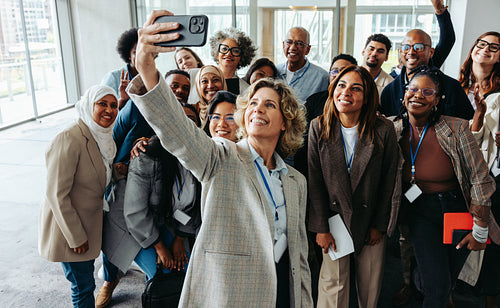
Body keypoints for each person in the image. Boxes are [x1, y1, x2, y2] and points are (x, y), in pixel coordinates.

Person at [128, 10, 313, 307]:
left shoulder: (296, 182)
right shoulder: (221, 157)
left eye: (269, 105)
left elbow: (299, 255)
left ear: (285, 122)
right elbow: (176, 129)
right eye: (252, 103)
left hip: (279, 290)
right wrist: (146, 66)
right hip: (229, 291)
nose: (257, 109)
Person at [392, 68, 500, 307]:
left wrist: (481, 227)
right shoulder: (392, 130)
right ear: (404, 95)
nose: (418, 95)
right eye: (413, 89)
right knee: (437, 289)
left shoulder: (456, 127)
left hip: (458, 209)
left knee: (445, 281)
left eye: (427, 91)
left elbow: (481, 177)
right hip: (421, 211)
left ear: (437, 100)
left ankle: (423, 281)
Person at [308, 65, 399, 308]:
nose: (346, 92)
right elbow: (314, 180)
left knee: (368, 289)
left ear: (367, 96)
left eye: (356, 88)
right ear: (332, 90)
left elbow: (389, 181)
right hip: (334, 221)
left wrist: (379, 225)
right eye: (341, 85)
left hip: (370, 221)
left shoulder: (384, 129)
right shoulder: (318, 126)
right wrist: (321, 227)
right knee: (333, 287)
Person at [98, 106, 202, 308]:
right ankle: (120, 284)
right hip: (133, 227)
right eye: (181, 119)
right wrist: (161, 247)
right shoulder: (147, 155)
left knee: (188, 270)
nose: (186, 124)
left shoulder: (199, 158)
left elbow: (194, 207)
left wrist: (179, 240)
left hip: (170, 223)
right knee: (162, 274)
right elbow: (136, 213)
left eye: (192, 120)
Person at [38, 85, 118, 308]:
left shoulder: (101, 136)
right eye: (102, 104)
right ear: (89, 104)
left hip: (91, 221)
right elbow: (56, 194)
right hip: (70, 229)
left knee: (85, 284)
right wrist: (75, 236)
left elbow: (93, 174)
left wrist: (116, 173)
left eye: (114, 105)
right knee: (82, 287)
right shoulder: (69, 138)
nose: (109, 110)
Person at [380, 0, 475, 119]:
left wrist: (440, 10)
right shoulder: (390, 91)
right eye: (406, 47)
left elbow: (469, 125)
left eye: (418, 47)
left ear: (431, 52)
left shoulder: (450, 87)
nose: (411, 52)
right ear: (400, 51)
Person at [461, 31, 500, 308]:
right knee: (457, 235)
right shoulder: (454, 87)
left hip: (491, 174)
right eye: (481, 43)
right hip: (456, 172)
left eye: (494, 47)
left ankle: (489, 297)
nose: (485, 49)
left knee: (492, 241)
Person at [277, 27, 329, 102]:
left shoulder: (322, 78)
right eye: (289, 42)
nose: (293, 47)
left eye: (299, 44)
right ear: (283, 45)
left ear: (307, 49)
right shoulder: (275, 71)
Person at [101, 28, 139, 110]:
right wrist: (123, 100)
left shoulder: (151, 79)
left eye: (145, 52)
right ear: (128, 55)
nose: (141, 56)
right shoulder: (113, 77)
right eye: (136, 52)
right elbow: (103, 110)